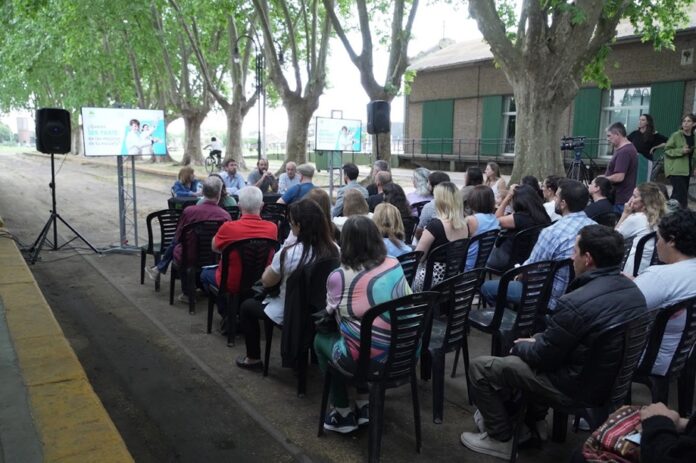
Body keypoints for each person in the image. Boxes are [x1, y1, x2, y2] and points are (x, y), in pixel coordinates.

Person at [460, 225, 647, 459]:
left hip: (573, 387)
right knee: (532, 346)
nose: (571, 257)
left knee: (482, 367)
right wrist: (537, 341)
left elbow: (543, 358)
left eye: (575, 251)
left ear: (588, 258)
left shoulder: (577, 302)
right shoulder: (635, 294)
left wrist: (521, 346)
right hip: (608, 384)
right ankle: (533, 422)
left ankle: (500, 438)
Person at [314, 216, 411, 433]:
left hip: (368, 362)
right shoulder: (394, 264)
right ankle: (363, 402)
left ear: (345, 242)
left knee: (321, 340)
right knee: (362, 335)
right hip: (405, 354)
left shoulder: (339, 276)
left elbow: (331, 312)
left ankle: (342, 411)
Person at [236, 199, 339, 370]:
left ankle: (253, 358)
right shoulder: (334, 249)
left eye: (291, 222)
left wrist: (270, 267)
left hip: (289, 312)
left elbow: (267, 281)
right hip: (321, 311)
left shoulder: (288, 254)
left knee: (247, 307)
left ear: (298, 225)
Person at [482, 179, 595, 311]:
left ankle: (514, 319)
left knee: (487, 288)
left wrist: (518, 276)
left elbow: (531, 268)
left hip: (548, 299)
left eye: (557, 196)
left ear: (563, 203)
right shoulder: (596, 227)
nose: (555, 200)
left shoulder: (552, 232)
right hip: (582, 297)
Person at [632, 209, 696, 375]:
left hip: (649, 357)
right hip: (684, 355)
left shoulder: (660, 277)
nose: (656, 244)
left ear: (672, 241)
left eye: (658, 238)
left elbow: (622, 309)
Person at [147, 176, 230, 302]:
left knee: (179, 248)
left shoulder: (189, 211)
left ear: (202, 192)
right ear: (219, 194)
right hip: (215, 257)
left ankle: (187, 293)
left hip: (190, 256)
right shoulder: (225, 216)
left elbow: (179, 236)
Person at [199, 186, 278, 318]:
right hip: (260, 280)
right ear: (262, 205)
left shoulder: (228, 228)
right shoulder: (272, 228)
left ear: (239, 205)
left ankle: (227, 312)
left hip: (232, 283)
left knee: (205, 274)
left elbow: (214, 247)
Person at [413, 182, 469, 291]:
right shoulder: (465, 225)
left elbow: (418, 257)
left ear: (440, 202)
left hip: (430, 280)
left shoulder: (435, 225)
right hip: (452, 279)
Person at [487, 185, 552, 272]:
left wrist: (507, 198)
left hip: (509, 260)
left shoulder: (519, 219)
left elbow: (495, 220)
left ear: (518, 202)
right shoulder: (543, 216)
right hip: (529, 258)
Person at [615, 182, 666, 276]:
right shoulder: (662, 218)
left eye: (634, 196)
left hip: (632, 271)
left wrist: (625, 214)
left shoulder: (637, 218)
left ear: (644, 201)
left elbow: (613, 238)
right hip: (651, 269)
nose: (630, 199)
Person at [603, 122, 639, 213]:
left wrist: (603, 179)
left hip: (621, 199)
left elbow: (619, 177)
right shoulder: (627, 148)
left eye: (609, 136)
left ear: (617, 134)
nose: (608, 139)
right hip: (623, 198)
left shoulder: (624, 152)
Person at [663, 113, 696, 208]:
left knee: (681, 194)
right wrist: (681, 151)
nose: (685, 123)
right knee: (679, 194)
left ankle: (673, 212)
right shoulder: (676, 135)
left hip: (687, 170)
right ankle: (675, 212)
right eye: (684, 121)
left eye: (688, 121)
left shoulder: (694, 137)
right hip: (676, 169)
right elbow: (667, 150)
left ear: (694, 124)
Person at [465, 185, 500, 270]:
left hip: (465, 265)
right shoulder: (495, 219)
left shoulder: (471, 220)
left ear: (472, 201)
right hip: (482, 264)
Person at [414, 171, 451, 240]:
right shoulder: (456, 204)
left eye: (428, 182)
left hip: (435, 242)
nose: (427, 185)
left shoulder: (430, 206)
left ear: (433, 186)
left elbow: (419, 231)